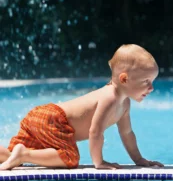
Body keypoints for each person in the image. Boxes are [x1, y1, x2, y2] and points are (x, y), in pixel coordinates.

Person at [0, 44, 164, 170]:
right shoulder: (110, 98)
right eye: (146, 82)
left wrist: (139, 160)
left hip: (41, 116)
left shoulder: (124, 103)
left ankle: (17, 154)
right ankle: (24, 154)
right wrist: (99, 162)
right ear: (124, 79)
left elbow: (127, 133)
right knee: (70, 158)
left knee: (8, 155)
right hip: (53, 119)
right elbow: (95, 131)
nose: (151, 88)